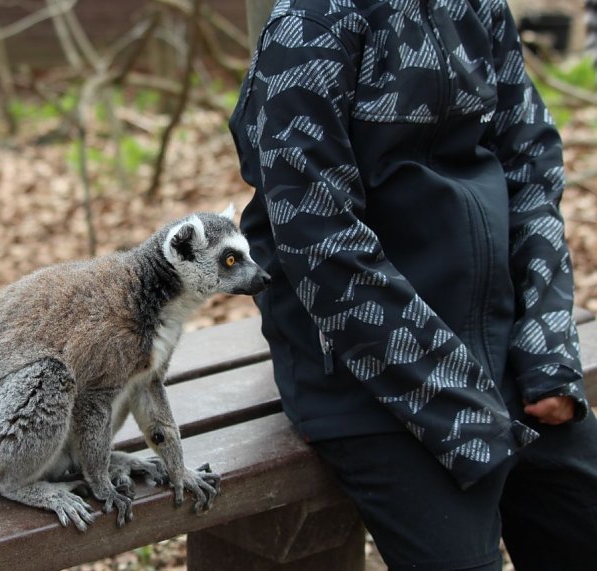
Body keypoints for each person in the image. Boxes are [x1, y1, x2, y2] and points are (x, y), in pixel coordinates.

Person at [229, 0, 597, 569]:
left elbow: (531, 169)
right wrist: (463, 409)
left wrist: (547, 353)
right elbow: (319, 240)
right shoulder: (313, 23)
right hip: (371, 376)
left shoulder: (475, 8)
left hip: (498, 344)